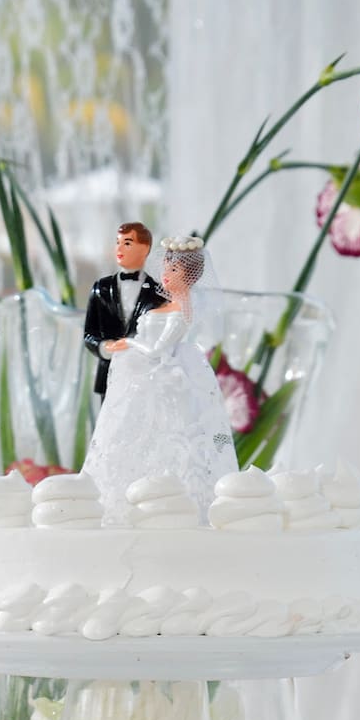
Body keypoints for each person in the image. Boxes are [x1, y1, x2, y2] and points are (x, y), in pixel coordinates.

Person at [80, 232, 235, 524]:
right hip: (142, 376)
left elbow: (157, 348)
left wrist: (128, 343)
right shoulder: (165, 300)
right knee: (133, 435)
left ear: (189, 275)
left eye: (173, 269)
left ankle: (167, 503)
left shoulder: (183, 309)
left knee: (167, 436)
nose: (165, 274)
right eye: (165, 267)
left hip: (164, 376)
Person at [82, 220, 167, 400]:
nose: (119, 248)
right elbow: (90, 334)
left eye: (127, 243)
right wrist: (105, 348)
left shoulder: (159, 293)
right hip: (109, 377)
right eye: (117, 242)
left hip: (145, 378)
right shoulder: (101, 289)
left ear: (145, 249)